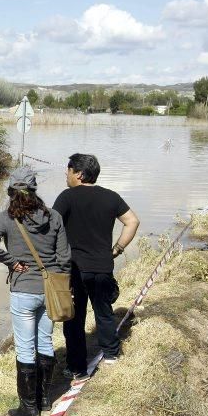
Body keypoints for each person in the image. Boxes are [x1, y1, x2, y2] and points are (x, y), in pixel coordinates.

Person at [0, 167, 71, 416]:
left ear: (11, 192)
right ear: (34, 191)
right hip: (51, 289)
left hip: (24, 289)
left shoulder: (4, 218)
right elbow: (65, 257)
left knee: (24, 347)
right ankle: (44, 400)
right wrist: (61, 281)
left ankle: (28, 408)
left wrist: (10, 261)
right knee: (44, 341)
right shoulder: (54, 216)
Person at [52, 153, 140, 379]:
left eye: (69, 169)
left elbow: (51, 227)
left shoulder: (67, 197)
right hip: (102, 265)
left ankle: (76, 367)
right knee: (104, 312)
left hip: (74, 268)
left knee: (74, 318)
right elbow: (133, 221)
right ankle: (111, 355)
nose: (66, 173)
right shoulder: (111, 197)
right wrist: (117, 249)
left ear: (79, 174)